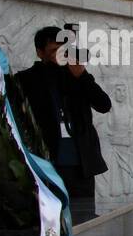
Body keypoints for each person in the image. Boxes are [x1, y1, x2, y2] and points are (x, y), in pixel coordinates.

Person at [14, 25, 111, 221]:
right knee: (53, 220)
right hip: (49, 162)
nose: (59, 55)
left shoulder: (75, 74)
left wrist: (82, 76)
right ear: (40, 52)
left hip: (81, 162)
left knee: (84, 219)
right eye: (53, 51)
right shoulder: (25, 80)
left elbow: (104, 104)